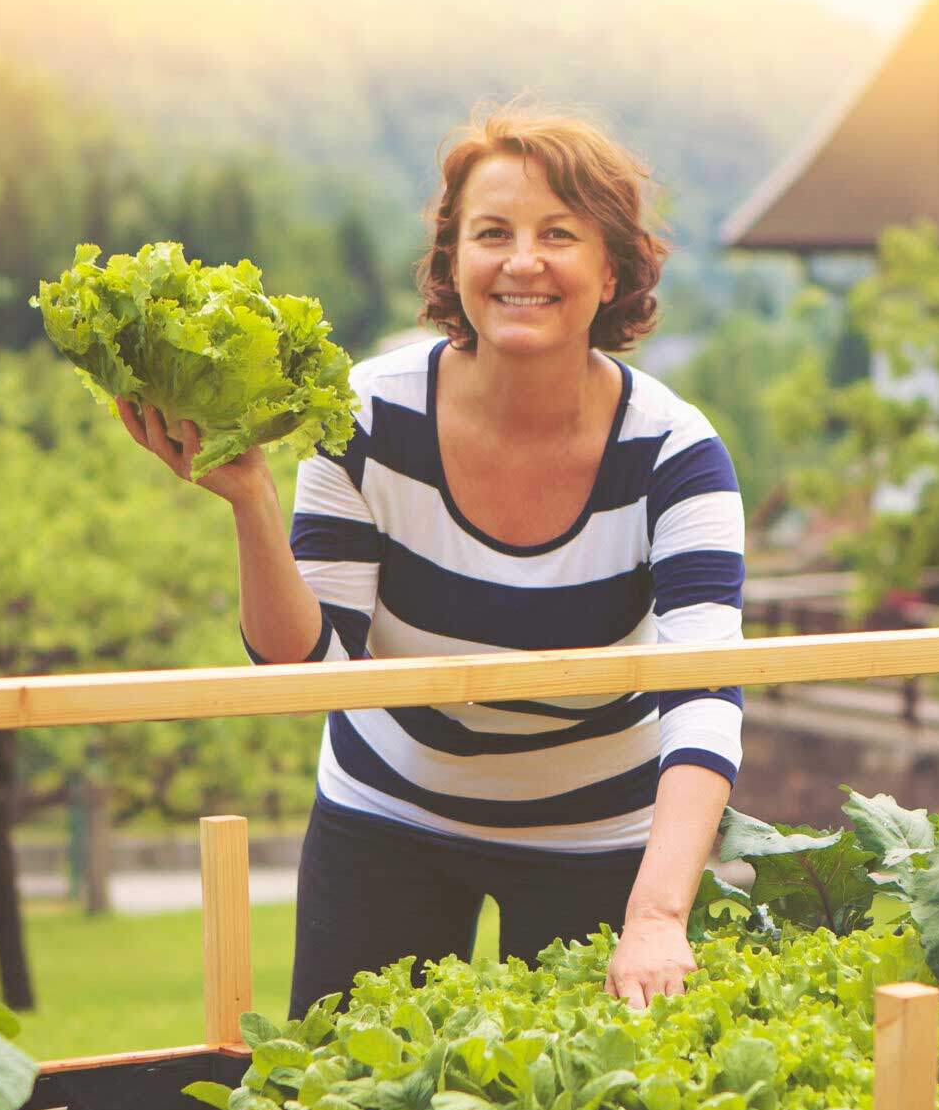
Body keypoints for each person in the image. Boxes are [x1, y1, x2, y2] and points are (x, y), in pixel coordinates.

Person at [121, 106, 744, 1015]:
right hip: (390, 813)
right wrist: (253, 499)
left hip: (600, 831)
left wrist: (656, 913)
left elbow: (705, 693)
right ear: (455, 260)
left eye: (558, 235)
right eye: (492, 233)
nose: (522, 260)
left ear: (612, 269)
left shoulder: (677, 454)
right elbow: (312, 666)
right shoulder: (364, 414)